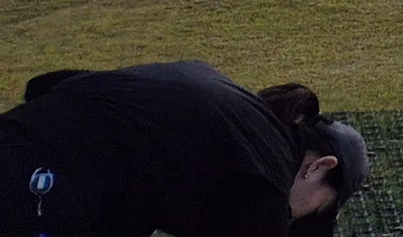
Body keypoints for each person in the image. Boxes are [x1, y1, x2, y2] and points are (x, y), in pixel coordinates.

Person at [0, 63, 364, 237]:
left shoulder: (218, 93)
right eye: (315, 210)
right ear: (318, 167)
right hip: (43, 191)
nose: (296, 219)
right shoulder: (263, 183)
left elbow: (46, 84)